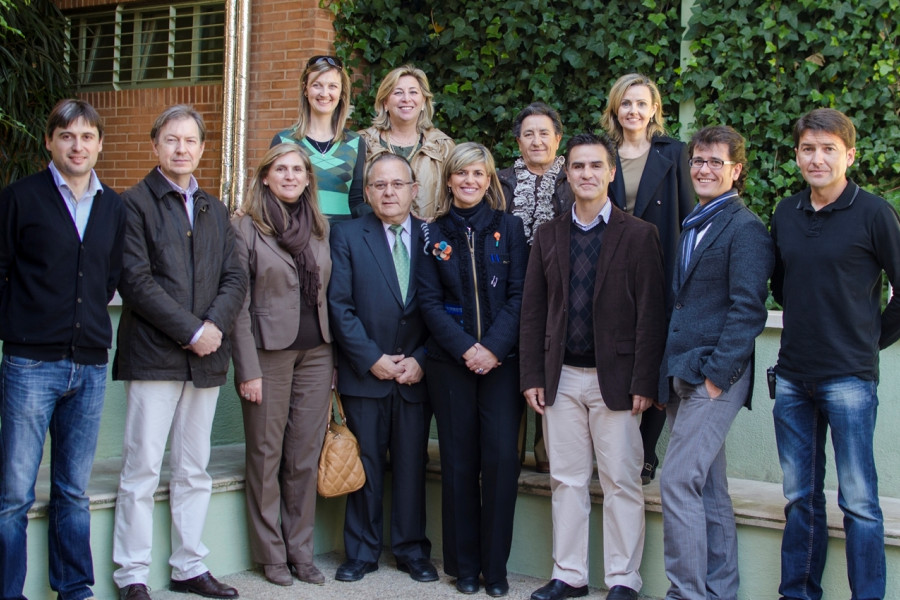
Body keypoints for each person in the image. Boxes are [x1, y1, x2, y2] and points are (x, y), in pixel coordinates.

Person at [520, 132, 666, 600]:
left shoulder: (640, 234)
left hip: (619, 382)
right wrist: (532, 377)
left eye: (595, 166)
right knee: (566, 481)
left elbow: (652, 313)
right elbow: (533, 311)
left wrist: (645, 379)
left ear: (610, 173)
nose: (586, 174)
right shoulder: (549, 234)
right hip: (560, 378)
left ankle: (624, 580)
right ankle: (570, 575)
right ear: (568, 173)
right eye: (578, 166)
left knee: (622, 482)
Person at [112, 105, 247, 600]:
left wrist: (212, 327)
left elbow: (235, 276)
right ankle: (132, 574)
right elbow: (136, 281)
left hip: (205, 358)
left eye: (190, 141)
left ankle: (189, 565)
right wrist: (192, 330)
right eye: (172, 140)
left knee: (194, 468)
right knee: (142, 468)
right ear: (155, 146)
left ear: (202, 149)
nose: (182, 149)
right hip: (154, 356)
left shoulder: (214, 208)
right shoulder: (134, 204)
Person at [771, 108, 900, 600]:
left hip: (849, 380)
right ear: (797, 155)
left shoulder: (874, 213)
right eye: (808, 149)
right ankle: (797, 592)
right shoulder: (786, 212)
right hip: (792, 378)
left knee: (860, 502)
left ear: (850, 155)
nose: (817, 158)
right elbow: (782, 285)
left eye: (828, 149)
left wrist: (870, 342)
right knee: (800, 498)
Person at [0, 99, 125, 600]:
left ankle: (74, 588)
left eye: (87, 137)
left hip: (90, 364)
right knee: (13, 493)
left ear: (99, 145)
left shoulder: (112, 206)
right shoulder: (19, 198)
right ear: (50, 141)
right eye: (67, 136)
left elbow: (109, 276)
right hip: (31, 363)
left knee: (73, 491)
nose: (78, 145)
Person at [659, 126, 773, 600]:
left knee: (676, 480)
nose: (704, 170)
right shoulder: (694, 220)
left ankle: (685, 594)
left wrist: (714, 379)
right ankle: (720, 591)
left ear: (736, 170)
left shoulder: (745, 228)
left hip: (713, 375)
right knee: (707, 489)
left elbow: (749, 309)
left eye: (716, 162)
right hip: (681, 370)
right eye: (698, 161)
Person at [416, 142, 527, 598]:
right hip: (451, 364)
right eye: (461, 174)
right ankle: (463, 567)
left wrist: (492, 349)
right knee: (459, 464)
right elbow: (428, 301)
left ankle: (494, 570)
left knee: (501, 462)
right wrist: (466, 349)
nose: (469, 182)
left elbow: (521, 295)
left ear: (489, 180)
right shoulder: (431, 233)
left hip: (501, 366)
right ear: (449, 180)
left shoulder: (510, 227)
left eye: (478, 174)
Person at [328, 153, 437, 584]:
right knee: (367, 465)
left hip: (415, 373)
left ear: (414, 189)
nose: (388, 192)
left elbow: (447, 307)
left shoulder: (434, 237)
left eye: (397, 184)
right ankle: (362, 551)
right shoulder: (348, 235)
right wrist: (371, 358)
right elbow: (339, 305)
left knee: (412, 465)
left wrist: (422, 360)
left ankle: (412, 550)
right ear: (367, 192)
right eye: (379, 185)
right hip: (365, 372)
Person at [229, 143, 332, 587]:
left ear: (309, 179)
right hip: (268, 354)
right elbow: (238, 305)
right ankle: (271, 555)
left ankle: (300, 551)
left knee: (304, 457)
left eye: (298, 169)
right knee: (267, 456)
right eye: (281, 169)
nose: (290, 176)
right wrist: (247, 369)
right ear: (266, 177)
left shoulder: (319, 229)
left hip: (319, 353)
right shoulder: (246, 228)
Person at [601, 73, 693, 485]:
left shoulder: (675, 153)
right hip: (611, 267)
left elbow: (689, 217)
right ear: (615, 109)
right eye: (626, 103)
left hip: (660, 265)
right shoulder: (602, 152)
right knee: (617, 355)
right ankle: (616, 449)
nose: (633, 111)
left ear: (655, 108)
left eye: (641, 103)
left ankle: (646, 452)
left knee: (655, 358)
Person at [497, 101, 574, 473]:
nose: (537, 140)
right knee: (513, 365)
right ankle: (509, 452)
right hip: (509, 287)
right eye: (528, 134)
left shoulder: (573, 178)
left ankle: (549, 454)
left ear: (558, 138)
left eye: (544, 133)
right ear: (518, 141)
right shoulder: (500, 180)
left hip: (559, 288)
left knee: (552, 363)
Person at [272, 55, 366, 222]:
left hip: (342, 242)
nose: (324, 93)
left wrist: (393, 217)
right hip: (298, 238)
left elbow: (356, 201)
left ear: (341, 92)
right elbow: (271, 197)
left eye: (332, 86)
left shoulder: (355, 142)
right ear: (305, 89)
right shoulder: (284, 141)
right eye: (317, 85)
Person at [358, 64, 454, 221]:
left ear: (423, 102)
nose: (406, 99)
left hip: (428, 238)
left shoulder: (443, 146)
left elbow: (454, 199)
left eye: (413, 92)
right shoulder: (363, 142)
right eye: (398, 92)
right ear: (385, 103)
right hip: (374, 238)